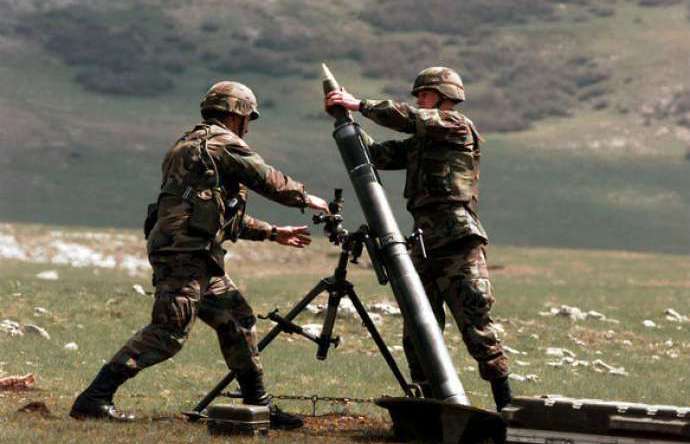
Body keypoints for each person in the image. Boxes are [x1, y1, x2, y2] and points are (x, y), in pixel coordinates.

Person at [70, 81, 330, 428]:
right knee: (168, 332)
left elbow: (214, 213)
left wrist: (272, 232)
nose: (248, 127)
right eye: (247, 119)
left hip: (195, 254)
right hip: (185, 255)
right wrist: (305, 197)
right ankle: (94, 398)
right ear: (236, 114)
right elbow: (266, 179)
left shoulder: (191, 145)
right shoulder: (222, 143)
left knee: (237, 320)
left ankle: (259, 405)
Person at [325, 67, 512, 411]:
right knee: (417, 332)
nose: (419, 100)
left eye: (424, 94)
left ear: (444, 96)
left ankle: (508, 410)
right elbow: (378, 155)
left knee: (476, 328)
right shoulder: (421, 142)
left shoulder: (455, 125)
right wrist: (347, 123)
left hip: (457, 244)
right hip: (424, 247)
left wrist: (358, 104)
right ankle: (432, 411)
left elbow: (408, 117)